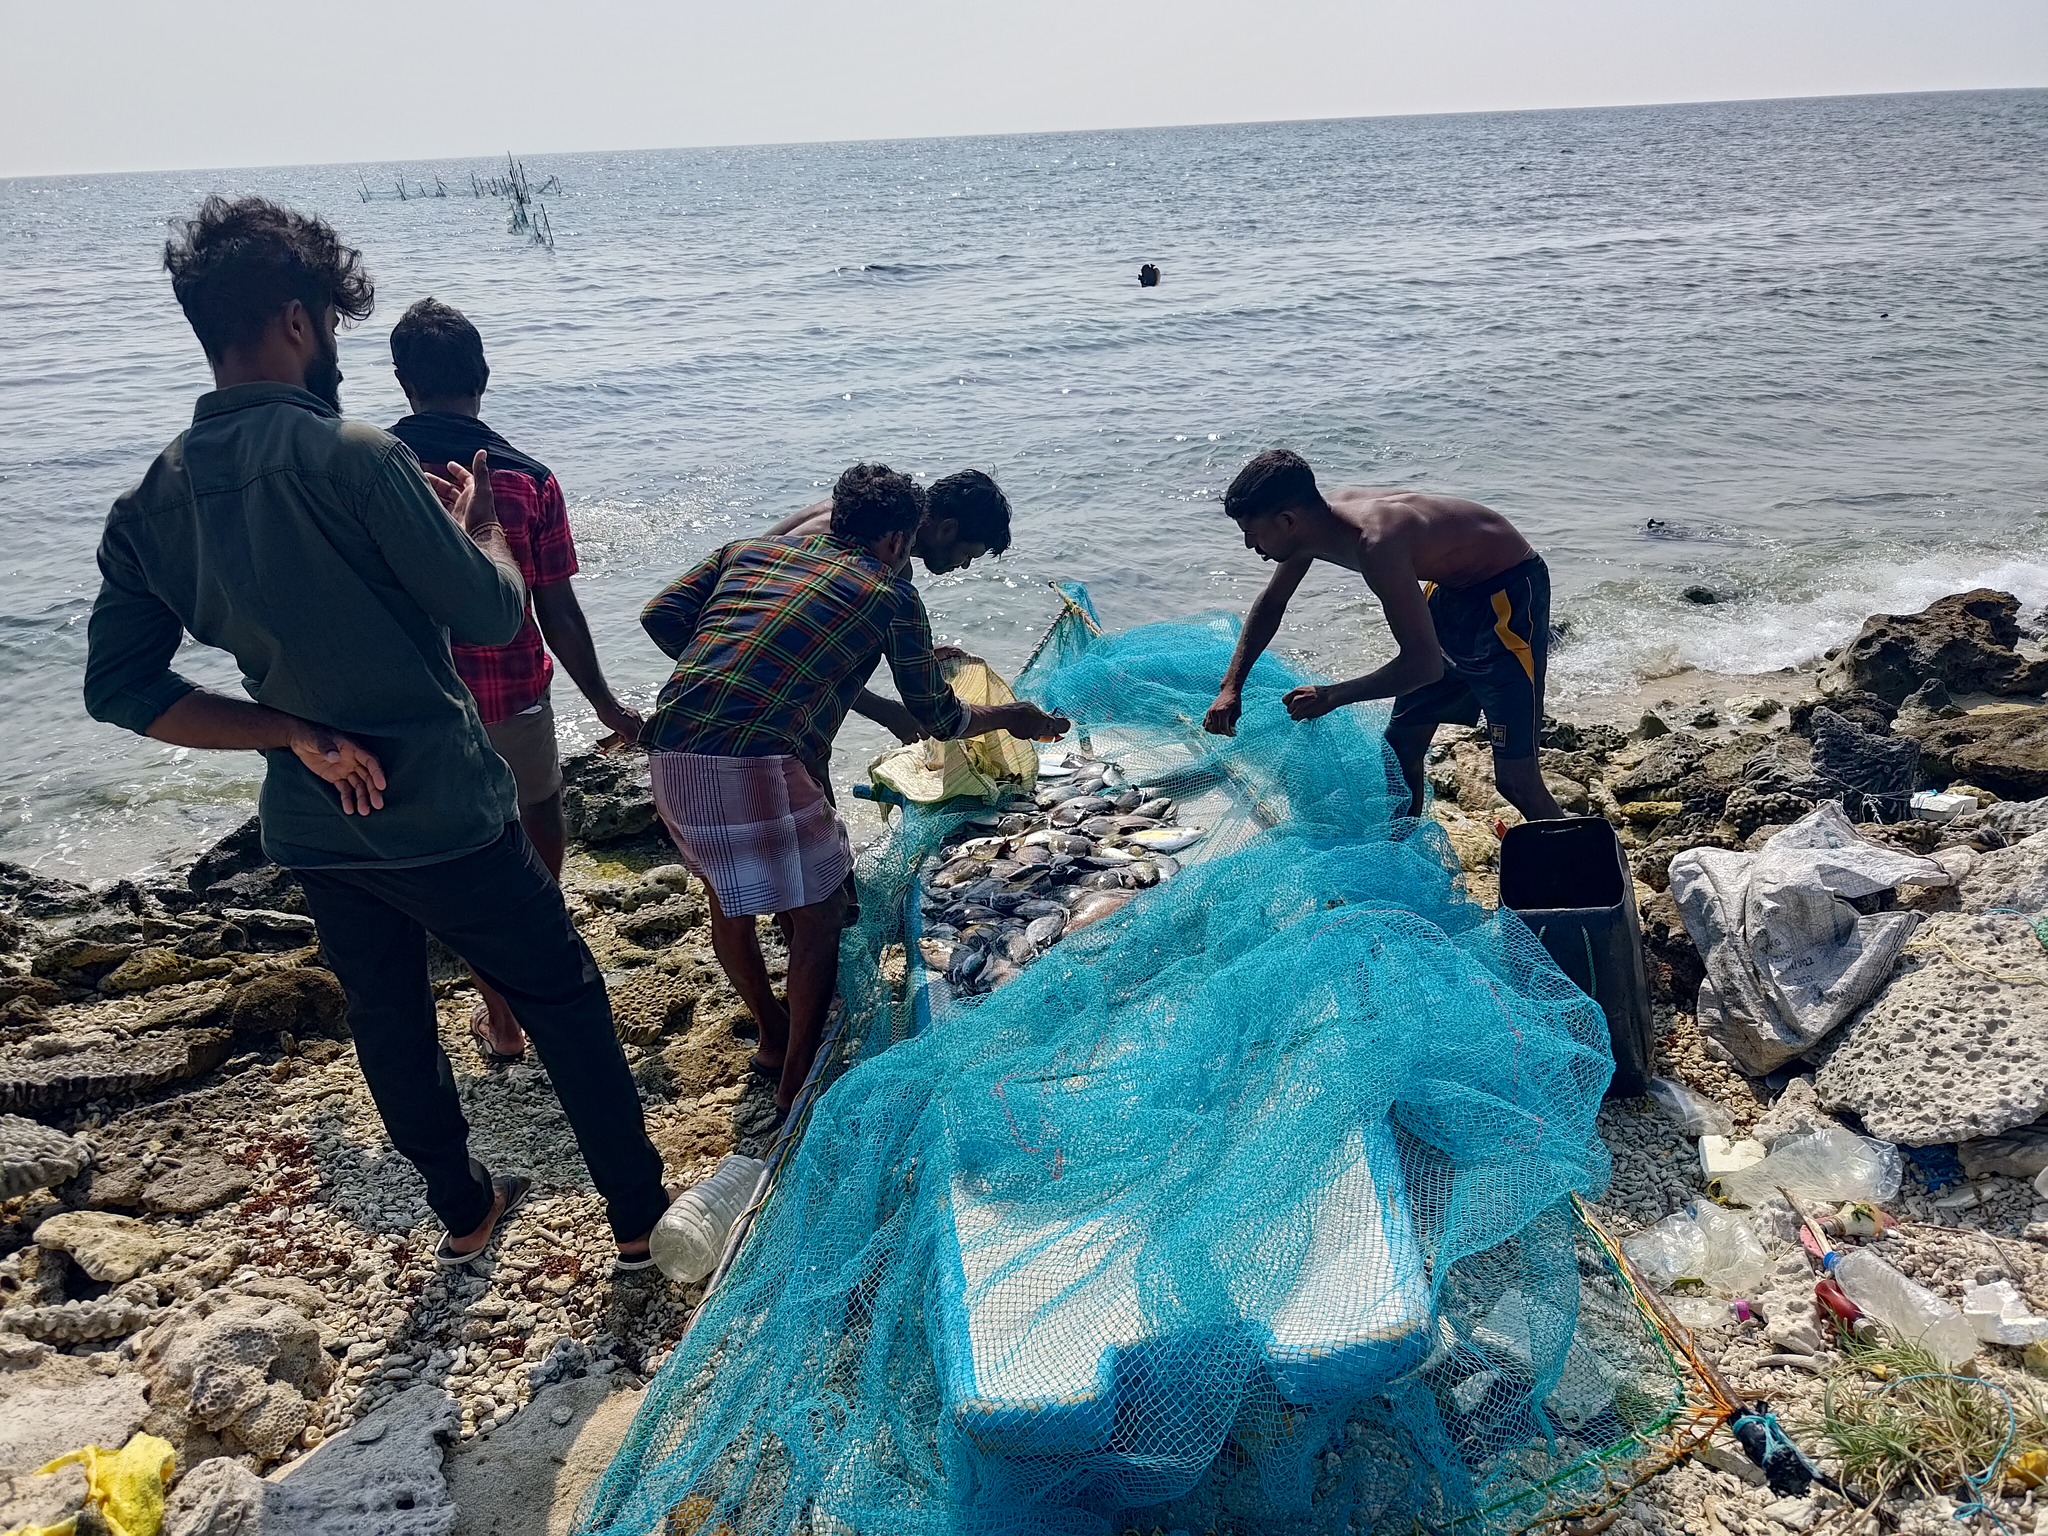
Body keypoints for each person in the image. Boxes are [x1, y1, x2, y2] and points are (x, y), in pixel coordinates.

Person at [82, 196, 671, 1271]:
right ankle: (637, 1218)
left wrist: (289, 730)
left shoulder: (150, 499)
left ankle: (462, 1208)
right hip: (440, 806)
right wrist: (478, 529)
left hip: (313, 821)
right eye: (333, 326)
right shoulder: (355, 458)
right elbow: (492, 611)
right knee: (567, 999)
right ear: (299, 319)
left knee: (390, 1017)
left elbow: (121, 688)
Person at [641, 463, 1068, 1115]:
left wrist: (736, 670)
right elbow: (942, 719)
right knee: (819, 922)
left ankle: (773, 1040)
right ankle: (798, 1096)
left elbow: (662, 615)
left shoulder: (752, 551)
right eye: (967, 553)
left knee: (729, 897)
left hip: (670, 756)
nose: (959, 566)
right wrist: (1015, 717)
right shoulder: (891, 591)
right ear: (905, 536)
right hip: (756, 762)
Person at [387, 298, 642, 1066]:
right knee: (535, 832)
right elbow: (557, 608)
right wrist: (604, 701)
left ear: (403, 383)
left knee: (459, 861)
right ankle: (533, 987)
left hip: (412, 710)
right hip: (513, 699)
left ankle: (499, 1019)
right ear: (484, 377)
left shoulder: (373, 473)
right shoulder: (529, 480)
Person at [1202, 448, 1564, 823]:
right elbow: (1273, 602)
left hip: (1507, 596)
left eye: (1251, 533)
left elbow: (1423, 666)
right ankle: (1403, 848)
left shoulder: (1375, 543)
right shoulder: (1310, 524)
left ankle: (1590, 866)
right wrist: (1232, 686)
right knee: (1400, 747)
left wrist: (1333, 695)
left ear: (1287, 521)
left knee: (1516, 782)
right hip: (1449, 590)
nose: (1249, 545)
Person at [761, 469, 1011, 745]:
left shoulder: (843, 511)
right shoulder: (885, 568)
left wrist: (916, 655)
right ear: (947, 529)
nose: (964, 565)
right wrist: (887, 712)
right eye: (968, 555)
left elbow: (797, 633)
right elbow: (790, 656)